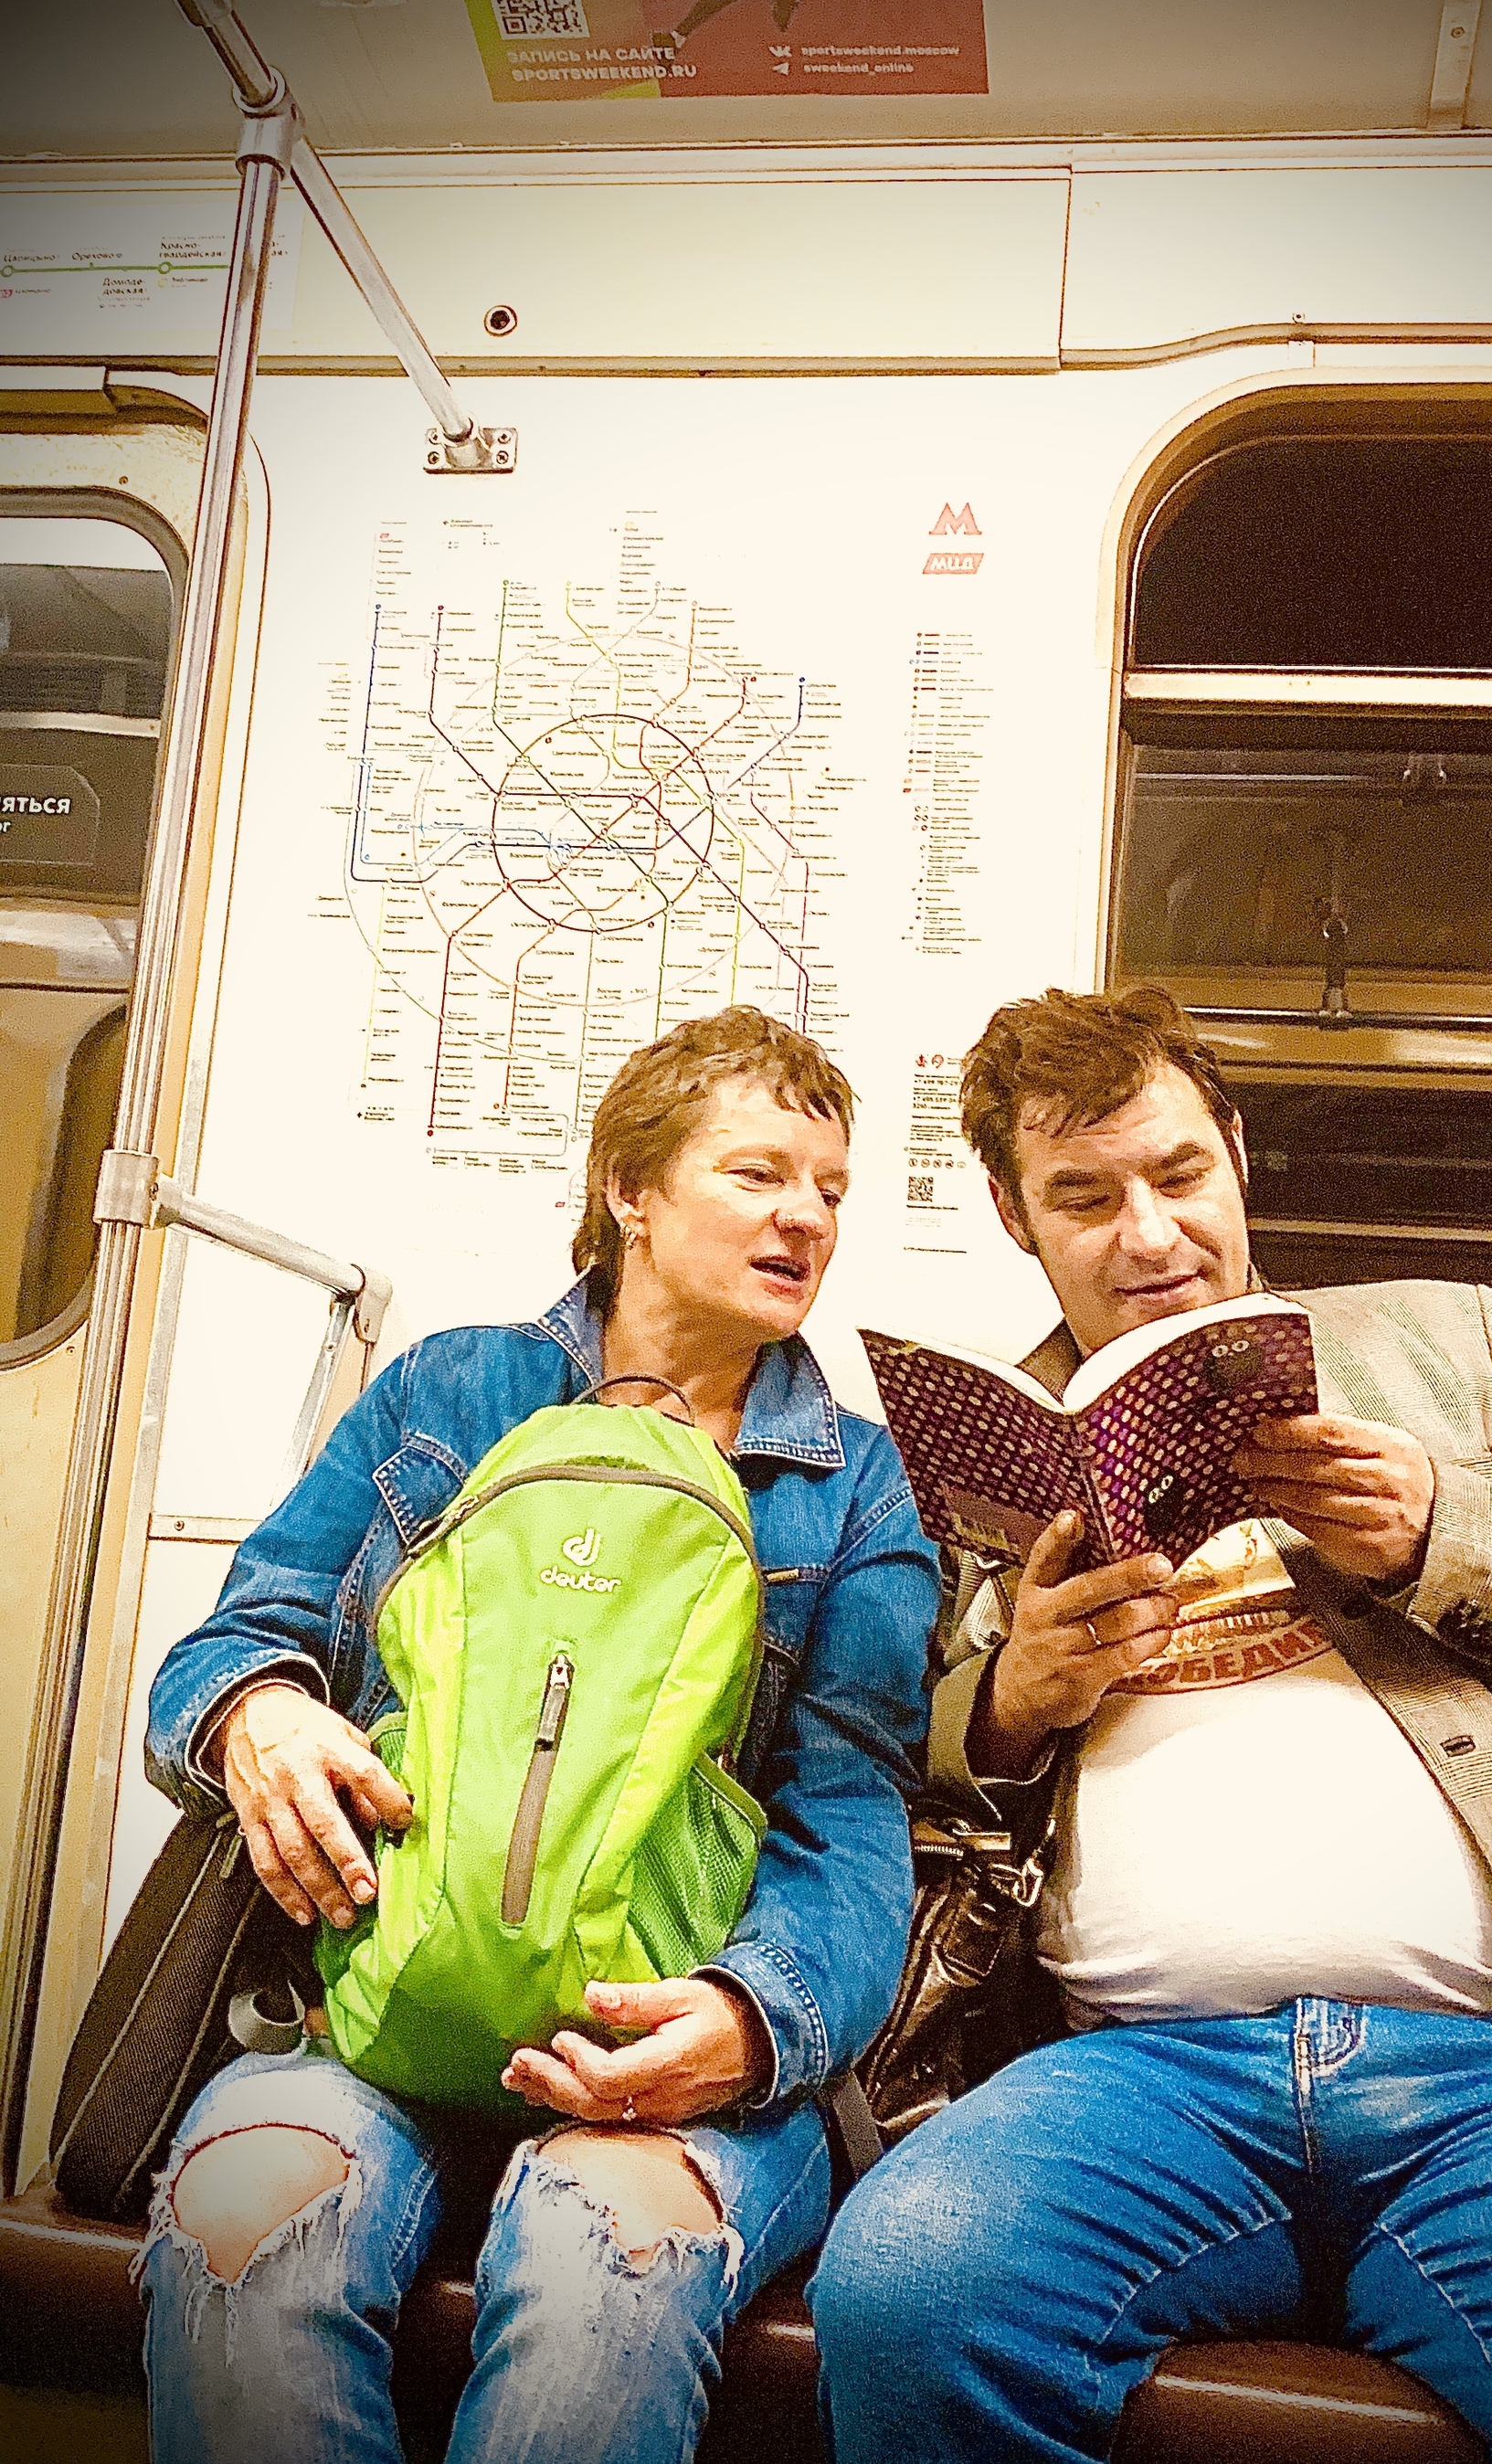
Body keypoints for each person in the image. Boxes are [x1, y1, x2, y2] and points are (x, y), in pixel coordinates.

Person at [812, 985, 1492, 2464]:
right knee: (909, 2291)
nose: (1150, 1236)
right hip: (1133, 2074)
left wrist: (1440, 1533)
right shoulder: (970, 1444)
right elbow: (890, 1759)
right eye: (1085, 1200)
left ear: (1238, 1153)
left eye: (1178, 1176)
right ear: (1013, 1214)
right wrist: (1018, 1699)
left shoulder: (1446, 1346)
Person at [137, 1006, 937, 2464]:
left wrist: (752, 2023)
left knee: (598, 2260)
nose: (806, 1217)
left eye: (830, 1189)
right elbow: (227, 1644)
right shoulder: (451, 1395)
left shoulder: (858, 1494)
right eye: (760, 1173)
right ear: (630, 1189)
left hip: (661, 2040)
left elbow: (851, 1817)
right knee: (249, 2223)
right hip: (374, 2019)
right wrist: (259, 1717)